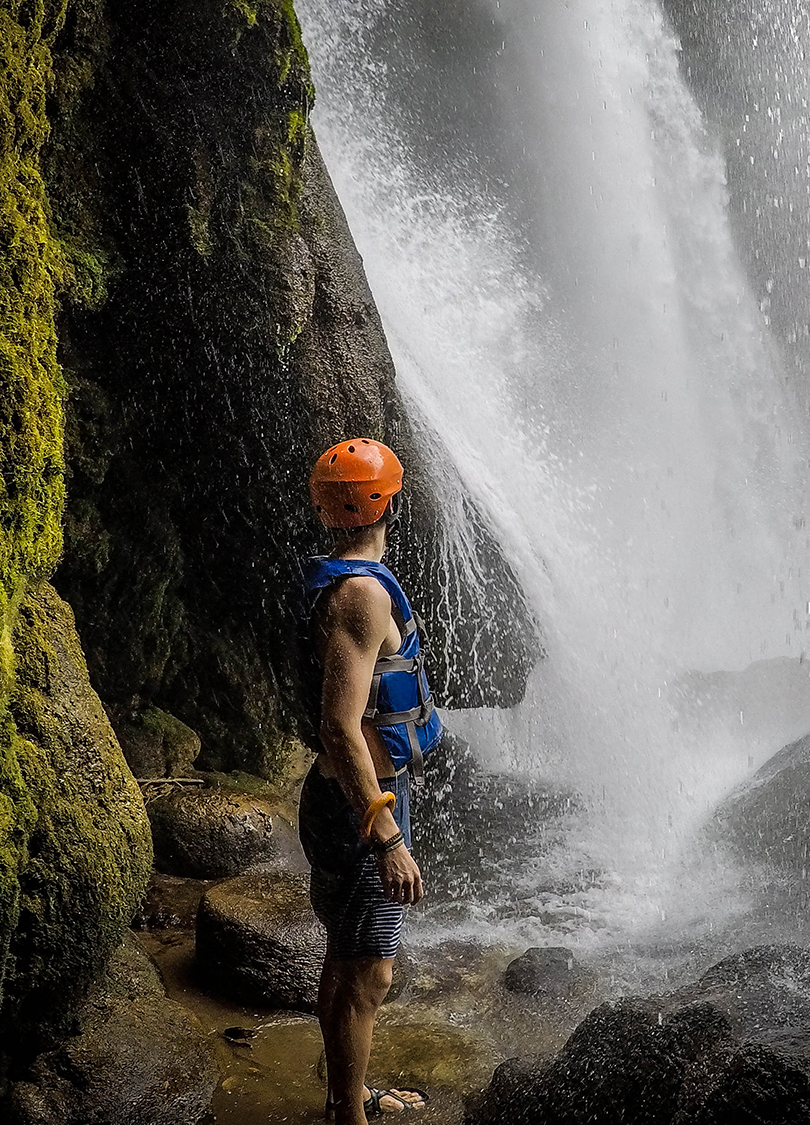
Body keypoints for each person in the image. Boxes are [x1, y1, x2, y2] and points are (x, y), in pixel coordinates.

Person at [298, 437, 444, 1122]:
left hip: (343, 796)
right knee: (368, 972)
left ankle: (346, 1095)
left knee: (350, 955)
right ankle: (348, 1116)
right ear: (388, 501)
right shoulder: (362, 595)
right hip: (361, 805)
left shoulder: (341, 579)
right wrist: (385, 831)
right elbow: (339, 725)